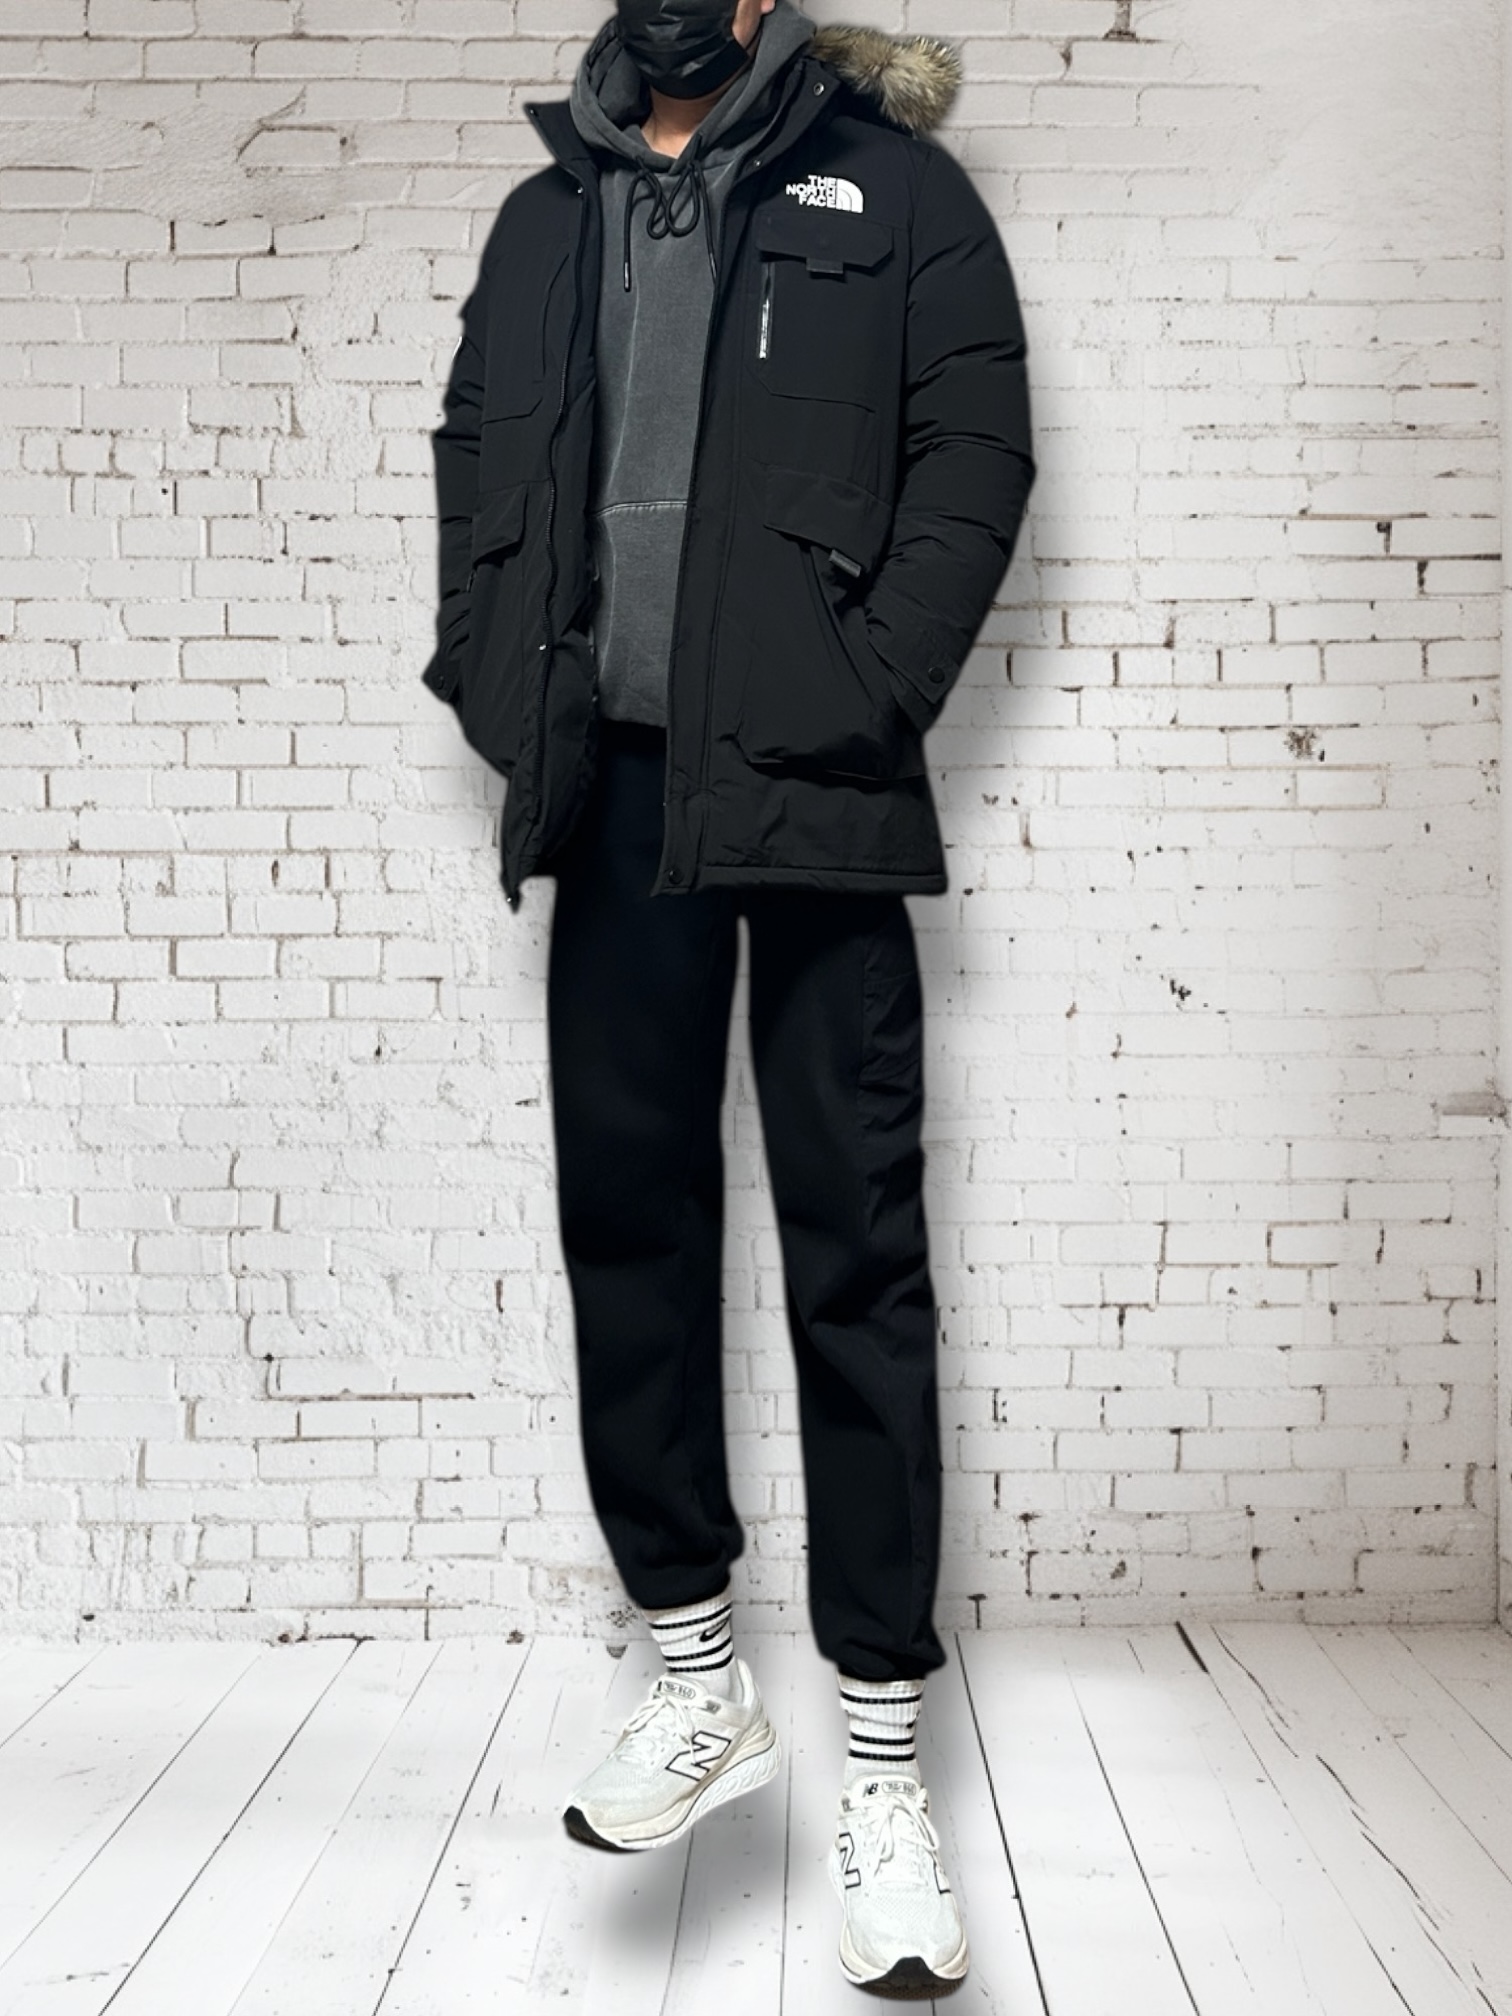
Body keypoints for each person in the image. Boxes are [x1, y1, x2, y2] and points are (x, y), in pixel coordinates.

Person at [422, 0, 1034, 1996]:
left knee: (857, 1259)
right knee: (630, 1229)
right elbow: (472, 446)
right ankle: (696, 1676)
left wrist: (868, 688)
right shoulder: (547, 214)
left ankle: (884, 1774)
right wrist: (485, 665)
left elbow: (976, 453)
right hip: (608, 790)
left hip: (815, 792)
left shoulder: (899, 192)